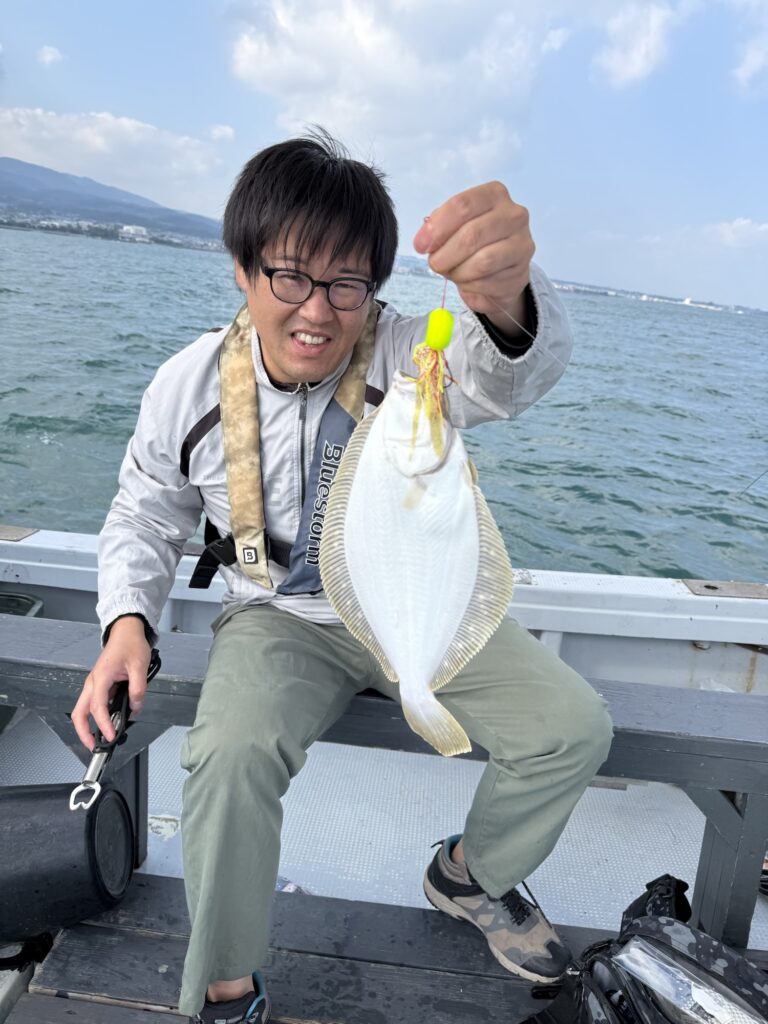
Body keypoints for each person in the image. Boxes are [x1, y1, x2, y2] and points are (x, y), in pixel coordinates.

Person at [71, 130, 613, 1024]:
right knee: (227, 759)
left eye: (347, 285)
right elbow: (145, 512)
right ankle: (227, 986)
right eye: (290, 276)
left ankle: (470, 874)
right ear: (242, 269)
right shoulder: (186, 385)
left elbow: (506, 378)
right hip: (277, 617)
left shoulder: (412, 359)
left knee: (572, 728)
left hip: (419, 602)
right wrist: (127, 620)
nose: (318, 312)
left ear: (375, 289)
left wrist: (507, 299)